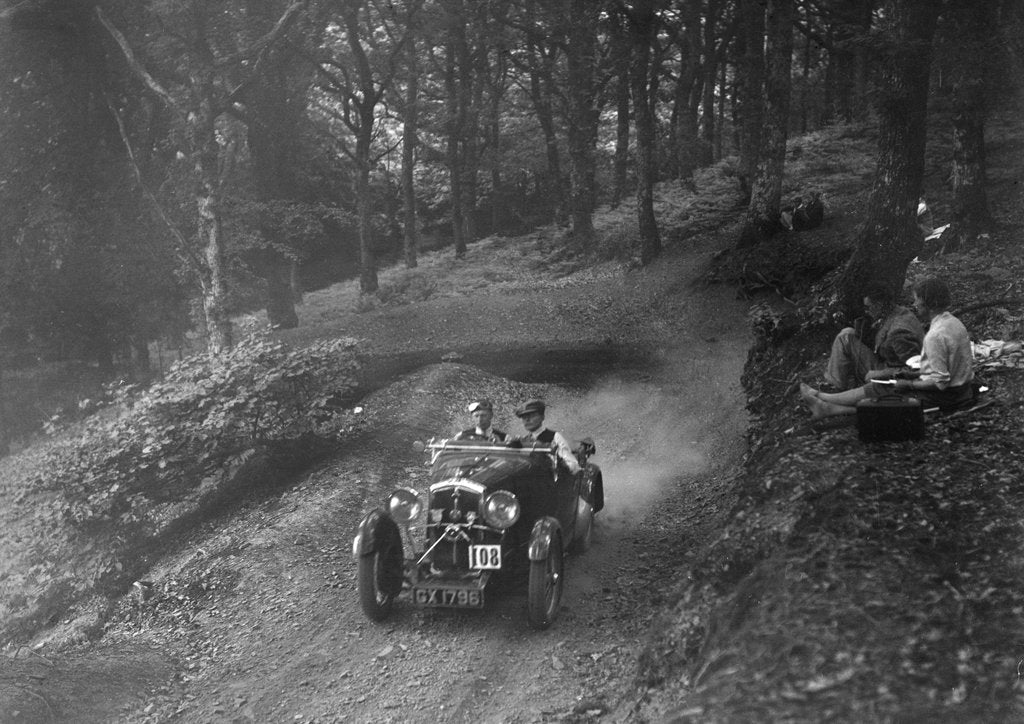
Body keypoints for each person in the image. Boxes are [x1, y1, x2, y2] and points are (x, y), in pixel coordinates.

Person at [801, 277, 974, 418]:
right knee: (885, 385)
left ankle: (824, 398)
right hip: (960, 391)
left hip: (946, 396)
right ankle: (828, 406)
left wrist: (907, 382)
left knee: (884, 389)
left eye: (917, 300)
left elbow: (936, 380)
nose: (914, 304)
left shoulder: (931, 335)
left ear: (928, 303)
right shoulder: (953, 322)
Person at [824, 282, 925, 390]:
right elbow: (887, 346)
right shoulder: (898, 312)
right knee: (848, 333)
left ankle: (835, 387)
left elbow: (916, 369)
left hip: (890, 373)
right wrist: (866, 335)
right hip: (889, 363)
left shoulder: (899, 331)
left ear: (879, 305)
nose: (867, 311)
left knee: (845, 337)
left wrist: (880, 373)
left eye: (869, 307)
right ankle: (839, 384)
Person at [512, 399, 581, 474]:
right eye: (524, 417)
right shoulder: (524, 440)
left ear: (542, 417)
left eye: (532, 415)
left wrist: (557, 462)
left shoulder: (554, 437)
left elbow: (573, 465)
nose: (527, 420)